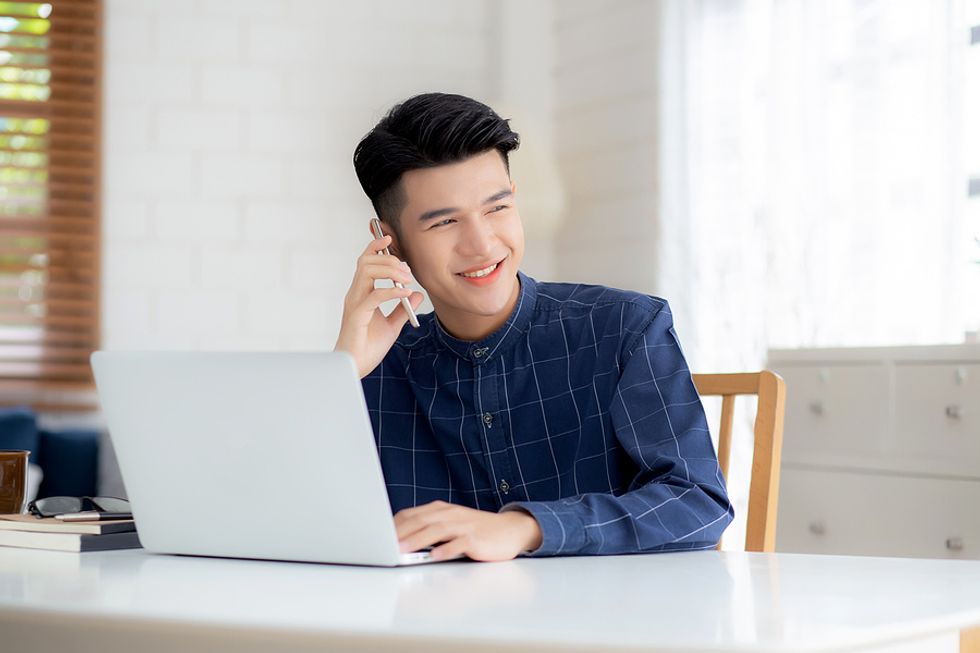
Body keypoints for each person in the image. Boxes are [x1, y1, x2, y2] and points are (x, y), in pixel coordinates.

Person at [335, 93, 733, 562]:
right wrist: (345, 369)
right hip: (435, 630)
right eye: (445, 222)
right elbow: (292, 524)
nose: (482, 245)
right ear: (390, 243)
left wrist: (526, 527)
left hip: (606, 623)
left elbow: (698, 504)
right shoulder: (375, 369)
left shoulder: (624, 329)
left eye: (496, 208)